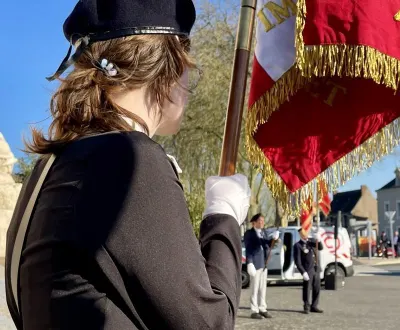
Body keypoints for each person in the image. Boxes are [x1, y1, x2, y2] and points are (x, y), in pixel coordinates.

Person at [4, 0, 249, 329]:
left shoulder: (52, 165)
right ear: (169, 64)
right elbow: (209, 322)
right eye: (190, 65)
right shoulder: (129, 159)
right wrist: (224, 216)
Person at [243, 214, 279, 319]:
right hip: (255, 264)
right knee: (255, 288)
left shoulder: (264, 233)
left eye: (263, 220)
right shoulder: (249, 234)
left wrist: (275, 239)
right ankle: (254, 310)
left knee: (263, 288)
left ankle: (262, 308)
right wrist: (249, 262)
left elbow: (267, 243)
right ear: (254, 222)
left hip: (264, 264)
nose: (262, 222)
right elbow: (249, 248)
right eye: (260, 220)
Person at [293, 228, 324, 314]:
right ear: (300, 234)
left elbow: (320, 247)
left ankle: (314, 306)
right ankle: (306, 306)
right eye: (303, 233)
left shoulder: (312, 241)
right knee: (307, 288)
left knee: (317, 288)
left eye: (306, 232)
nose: (305, 234)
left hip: (316, 268)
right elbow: (297, 261)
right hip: (307, 270)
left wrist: (319, 239)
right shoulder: (298, 245)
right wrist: (303, 272)